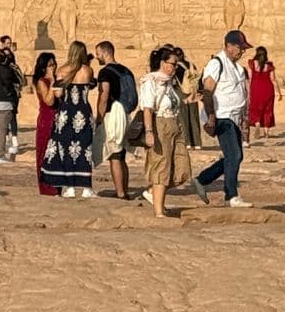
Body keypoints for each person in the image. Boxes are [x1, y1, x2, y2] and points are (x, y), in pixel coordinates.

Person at [195, 29, 252, 207]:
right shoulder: (217, 63)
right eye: (239, 47)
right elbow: (207, 91)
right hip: (221, 116)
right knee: (234, 155)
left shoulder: (237, 67)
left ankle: (202, 179)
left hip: (233, 117)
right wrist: (211, 116)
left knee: (235, 155)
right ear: (228, 46)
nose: (242, 51)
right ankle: (231, 195)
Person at [139, 45, 192, 217]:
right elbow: (148, 108)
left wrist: (189, 99)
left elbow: (173, 103)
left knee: (181, 167)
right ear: (163, 63)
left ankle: (152, 192)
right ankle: (159, 211)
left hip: (174, 124)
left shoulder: (169, 82)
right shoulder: (151, 81)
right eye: (174, 64)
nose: (176, 67)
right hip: (159, 124)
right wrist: (149, 132)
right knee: (162, 166)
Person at [42, 40, 96, 197]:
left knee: (66, 148)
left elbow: (58, 94)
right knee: (84, 148)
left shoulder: (62, 70)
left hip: (66, 112)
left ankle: (69, 187)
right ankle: (86, 187)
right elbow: (91, 85)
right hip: (83, 112)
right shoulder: (88, 70)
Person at [92, 39, 136, 199]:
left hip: (114, 114)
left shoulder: (105, 72)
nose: (97, 58)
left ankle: (120, 192)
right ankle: (123, 189)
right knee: (121, 153)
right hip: (125, 113)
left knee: (114, 155)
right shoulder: (126, 70)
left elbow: (104, 95)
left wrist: (99, 117)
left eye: (98, 54)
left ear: (105, 52)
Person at [32, 51, 59, 194]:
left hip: (58, 118)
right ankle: (47, 186)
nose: (53, 68)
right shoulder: (42, 82)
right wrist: (53, 82)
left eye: (54, 65)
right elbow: (49, 101)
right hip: (46, 119)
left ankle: (57, 184)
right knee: (45, 152)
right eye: (50, 65)